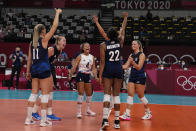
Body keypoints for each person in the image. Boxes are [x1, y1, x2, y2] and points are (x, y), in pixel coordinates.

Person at [24, 8, 62, 127]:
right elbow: (55, 26)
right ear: (42, 32)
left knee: (33, 94)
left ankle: (28, 119)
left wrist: (27, 72)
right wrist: (57, 13)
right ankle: (43, 121)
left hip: (34, 70)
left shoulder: (32, 43)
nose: (46, 32)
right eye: (45, 30)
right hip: (44, 69)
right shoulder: (44, 40)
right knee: (45, 94)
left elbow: (29, 59)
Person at [93, 12, 128, 130]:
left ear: (107, 35)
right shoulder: (120, 41)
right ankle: (117, 121)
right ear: (116, 34)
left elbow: (102, 62)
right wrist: (125, 18)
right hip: (118, 69)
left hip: (108, 69)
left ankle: (104, 119)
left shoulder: (103, 45)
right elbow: (122, 30)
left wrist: (100, 75)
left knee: (107, 94)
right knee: (116, 95)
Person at [31, 35, 66, 121]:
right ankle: (34, 111)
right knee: (45, 92)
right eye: (63, 41)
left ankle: (49, 113)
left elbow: (53, 61)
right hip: (43, 68)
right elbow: (41, 59)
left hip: (50, 67)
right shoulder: (51, 49)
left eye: (65, 41)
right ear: (58, 42)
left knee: (50, 91)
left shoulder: (60, 50)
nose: (65, 43)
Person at [119, 40, 152, 121]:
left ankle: (148, 113)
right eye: (132, 44)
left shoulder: (142, 55)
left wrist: (132, 62)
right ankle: (127, 114)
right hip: (132, 76)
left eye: (134, 44)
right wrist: (116, 66)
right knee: (130, 95)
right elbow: (126, 66)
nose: (132, 45)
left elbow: (139, 67)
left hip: (140, 76)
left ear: (139, 46)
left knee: (141, 96)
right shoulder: (131, 55)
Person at [69, 42, 98, 118]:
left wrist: (96, 77)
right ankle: (79, 112)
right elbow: (74, 66)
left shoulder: (92, 57)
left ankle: (88, 110)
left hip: (87, 75)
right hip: (80, 74)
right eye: (86, 46)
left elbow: (94, 68)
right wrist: (70, 75)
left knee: (89, 94)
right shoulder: (80, 56)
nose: (88, 47)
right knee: (81, 93)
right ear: (83, 48)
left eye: (89, 46)